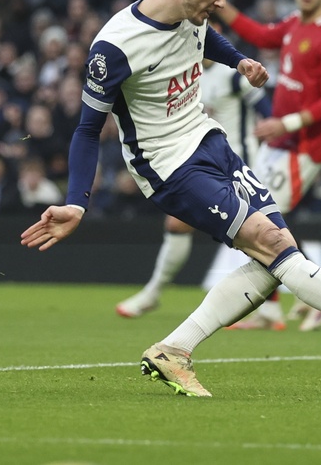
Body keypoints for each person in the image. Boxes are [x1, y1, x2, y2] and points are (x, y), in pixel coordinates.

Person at [20, 0, 321, 398]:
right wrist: (76, 203)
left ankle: (174, 349)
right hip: (169, 166)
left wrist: (238, 61)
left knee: (277, 253)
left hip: (209, 141)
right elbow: (86, 131)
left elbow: (203, 36)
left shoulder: (191, 10)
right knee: (273, 244)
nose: (221, 2)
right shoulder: (114, 48)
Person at [217, 0, 321, 332]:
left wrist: (285, 122)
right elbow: (262, 36)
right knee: (264, 223)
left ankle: (312, 303)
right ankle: (279, 309)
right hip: (276, 144)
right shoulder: (294, 22)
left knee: (261, 224)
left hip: (302, 148)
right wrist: (222, 6)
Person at [115, 49, 268, 319]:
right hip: (205, 161)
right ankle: (153, 292)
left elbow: (268, 110)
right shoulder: (189, 74)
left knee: (261, 233)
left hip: (239, 162)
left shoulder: (233, 75)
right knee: (179, 223)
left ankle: (290, 300)